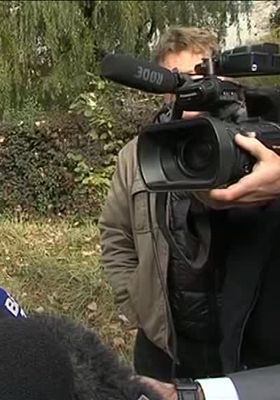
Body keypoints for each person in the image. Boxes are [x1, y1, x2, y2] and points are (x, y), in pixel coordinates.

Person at [100, 26, 280, 400]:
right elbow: (115, 235)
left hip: (248, 351)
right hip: (165, 347)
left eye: (200, 77)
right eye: (179, 82)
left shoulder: (264, 143)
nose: (192, 93)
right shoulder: (139, 155)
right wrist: (136, 306)